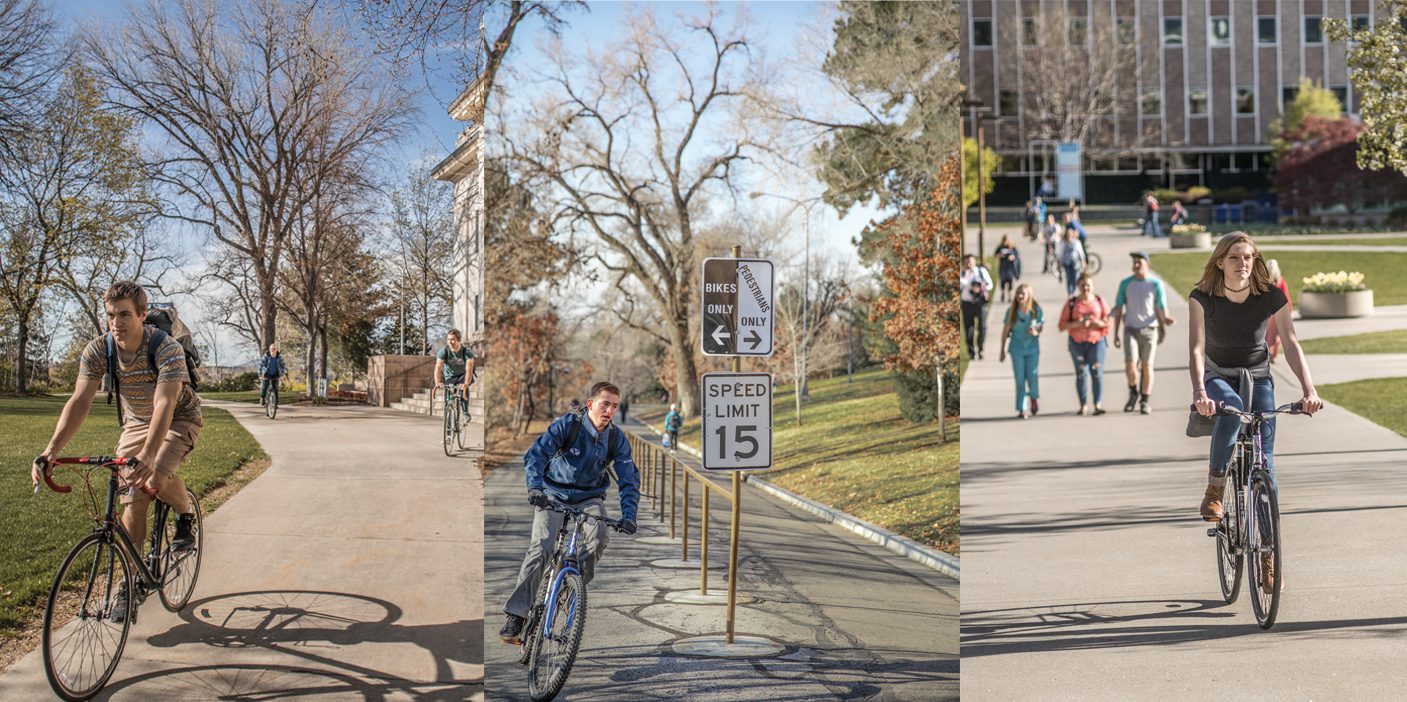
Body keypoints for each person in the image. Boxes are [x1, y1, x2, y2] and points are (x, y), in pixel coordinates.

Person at [32, 281, 201, 623]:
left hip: (178, 417)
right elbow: (80, 401)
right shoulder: (98, 349)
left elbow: (165, 401)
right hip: (136, 421)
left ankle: (184, 513)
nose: (116, 322)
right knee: (132, 496)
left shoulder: (166, 348)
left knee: (153, 476)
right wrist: (50, 451)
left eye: (125, 314)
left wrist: (151, 454)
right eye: (110, 315)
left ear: (142, 314)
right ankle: (131, 579)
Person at [1190, 233, 1321, 592]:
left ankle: (1269, 556)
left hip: (1259, 376)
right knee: (1231, 414)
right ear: (1220, 262)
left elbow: (1291, 342)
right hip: (1218, 376)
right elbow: (1198, 349)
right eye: (1235, 257)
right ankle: (1215, 489)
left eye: (1248, 257)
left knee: (1266, 465)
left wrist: (1308, 390)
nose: (1243, 263)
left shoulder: (1271, 295)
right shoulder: (1203, 297)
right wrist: (1201, 391)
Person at [499, 381, 640, 643]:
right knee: (541, 546)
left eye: (614, 406)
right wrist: (535, 488)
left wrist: (629, 515)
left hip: (589, 498)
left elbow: (629, 478)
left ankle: (568, 590)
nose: (609, 410)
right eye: (604, 404)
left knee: (598, 537)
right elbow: (536, 455)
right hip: (552, 494)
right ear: (590, 405)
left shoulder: (616, 438)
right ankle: (517, 614)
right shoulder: (569, 425)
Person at [1111, 252, 1176, 415]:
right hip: (1131, 329)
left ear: (1147, 264)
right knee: (1130, 364)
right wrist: (1115, 334)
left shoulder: (1155, 284)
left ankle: (1144, 400)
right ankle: (1133, 392)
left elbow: (1161, 307)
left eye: (1139, 262)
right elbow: (1119, 308)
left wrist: (1165, 321)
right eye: (1134, 262)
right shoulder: (1126, 284)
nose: (1136, 265)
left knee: (1147, 366)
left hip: (1150, 330)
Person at [1058, 274, 1111, 416]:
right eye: (1082, 285)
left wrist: (1096, 323)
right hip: (1077, 343)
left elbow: (1108, 322)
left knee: (1097, 372)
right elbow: (1062, 325)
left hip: (1096, 342)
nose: (1085, 288)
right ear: (1078, 287)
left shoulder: (1099, 301)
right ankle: (1083, 405)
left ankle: (1097, 404)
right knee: (1081, 373)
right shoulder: (1072, 303)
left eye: (1088, 285)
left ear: (1093, 286)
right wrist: (1078, 323)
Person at [999, 283, 1043, 419]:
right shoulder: (1012, 311)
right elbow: (1005, 331)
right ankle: (1022, 408)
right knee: (1019, 379)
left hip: (1032, 348)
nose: (1020, 296)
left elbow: (1041, 325)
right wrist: (1002, 350)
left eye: (1023, 293)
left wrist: (1036, 331)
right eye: (1018, 293)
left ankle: (1033, 398)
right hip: (1017, 348)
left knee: (1032, 376)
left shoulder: (1035, 310)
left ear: (1029, 295)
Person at [434, 329, 476, 413]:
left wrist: (466, 383)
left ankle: (465, 412)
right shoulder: (443, 352)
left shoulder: (467, 352)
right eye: (448, 339)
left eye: (452, 339)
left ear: (459, 340)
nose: (450, 342)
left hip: (463, 375)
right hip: (450, 376)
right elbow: (438, 368)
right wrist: (437, 382)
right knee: (448, 394)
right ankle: (448, 420)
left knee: (463, 389)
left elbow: (469, 369)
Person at [960, 254, 994, 360]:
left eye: (971, 262)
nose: (969, 264)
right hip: (967, 304)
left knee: (982, 327)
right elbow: (961, 285)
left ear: (975, 262)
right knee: (969, 329)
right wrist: (967, 279)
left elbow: (990, 284)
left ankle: (980, 349)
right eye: (967, 262)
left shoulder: (981, 271)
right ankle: (971, 351)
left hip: (980, 304)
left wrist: (980, 287)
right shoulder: (962, 274)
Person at [1263, 259, 1293, 362]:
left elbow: (1286, 297)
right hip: (1272, 313)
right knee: (1272, 335)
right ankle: (1270, 353)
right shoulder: (1270, 282)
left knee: (1273, 336)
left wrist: (1289, 310)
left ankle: (1271, 353)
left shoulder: (1279, 282)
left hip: (1275, 312)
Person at [1056, 226, 1086, 297]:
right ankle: (1070, 293)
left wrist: (1083, 262)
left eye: (1070, 235)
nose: (1069, 237)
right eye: (1067, 235)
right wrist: (1059, 263)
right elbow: (1060, 254)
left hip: (1076, 263)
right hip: (1067, 263)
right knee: (1069, 278)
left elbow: (1081, 253)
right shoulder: (1063, 243)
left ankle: (1075, 292)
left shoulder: (1076, 242)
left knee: (1076, 278)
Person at [993, 235, 1022, 303]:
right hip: (1003, 267)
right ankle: (1003, 293)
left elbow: (1017, 256)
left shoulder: (1013, 248)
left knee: (1010, 282)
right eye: (1005, 240)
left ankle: (1009, 296)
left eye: (1008, 240)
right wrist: (1000, 255)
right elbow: (995, 255)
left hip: (1010, 268)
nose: (1006, 242)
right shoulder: (1000, 248)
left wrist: (1013, 257)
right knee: (1003, 282)